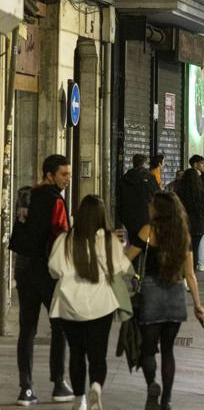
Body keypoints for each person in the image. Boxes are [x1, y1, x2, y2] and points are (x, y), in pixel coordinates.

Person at [48, 195, 131, 410]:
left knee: (77, 353)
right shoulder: (110, 241)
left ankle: (80, 400)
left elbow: (54, 270)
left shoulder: (64, 240)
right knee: (98, 353)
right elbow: (122, 268)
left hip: (69, 306)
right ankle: (95, 386)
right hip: (101, 304)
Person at [126, 193, 204, 410]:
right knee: (168, 350)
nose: (149, 207)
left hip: (151, 294)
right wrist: (198, 305)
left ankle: (153, 384)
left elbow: (126, 259)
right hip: (176, 295)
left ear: (158, 210)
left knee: (147, 350)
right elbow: (190, 275)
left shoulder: (148, 231)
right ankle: (167, 401)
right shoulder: (184, 236)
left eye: (152, 204)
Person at [9, 155, 74, 406]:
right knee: (60, 325)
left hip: (24, 270)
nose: (67, 179)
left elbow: (21, 230)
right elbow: (61, 236)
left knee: (27, 328)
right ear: (49, 175)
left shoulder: (25, 194)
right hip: (47, 272)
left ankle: (26, 389)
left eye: (68, 174)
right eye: (63, 175)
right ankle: (59, 383)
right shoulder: (56, 200)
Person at [117, 154, 160, 244]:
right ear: (144, 163)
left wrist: (123, 217)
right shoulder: (149, 177)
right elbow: (156, 196)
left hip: (129, 220)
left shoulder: (125, 178)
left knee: (133, 244)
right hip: (145, 218)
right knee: (145, 247)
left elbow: (119, 199)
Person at [177, 168, 204, 271]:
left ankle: (183, 273)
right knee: (194, 250)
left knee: (183, 249)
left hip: (183, 225)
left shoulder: (179, 192)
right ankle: (191, 273)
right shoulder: (202, 192)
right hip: (198, 226)